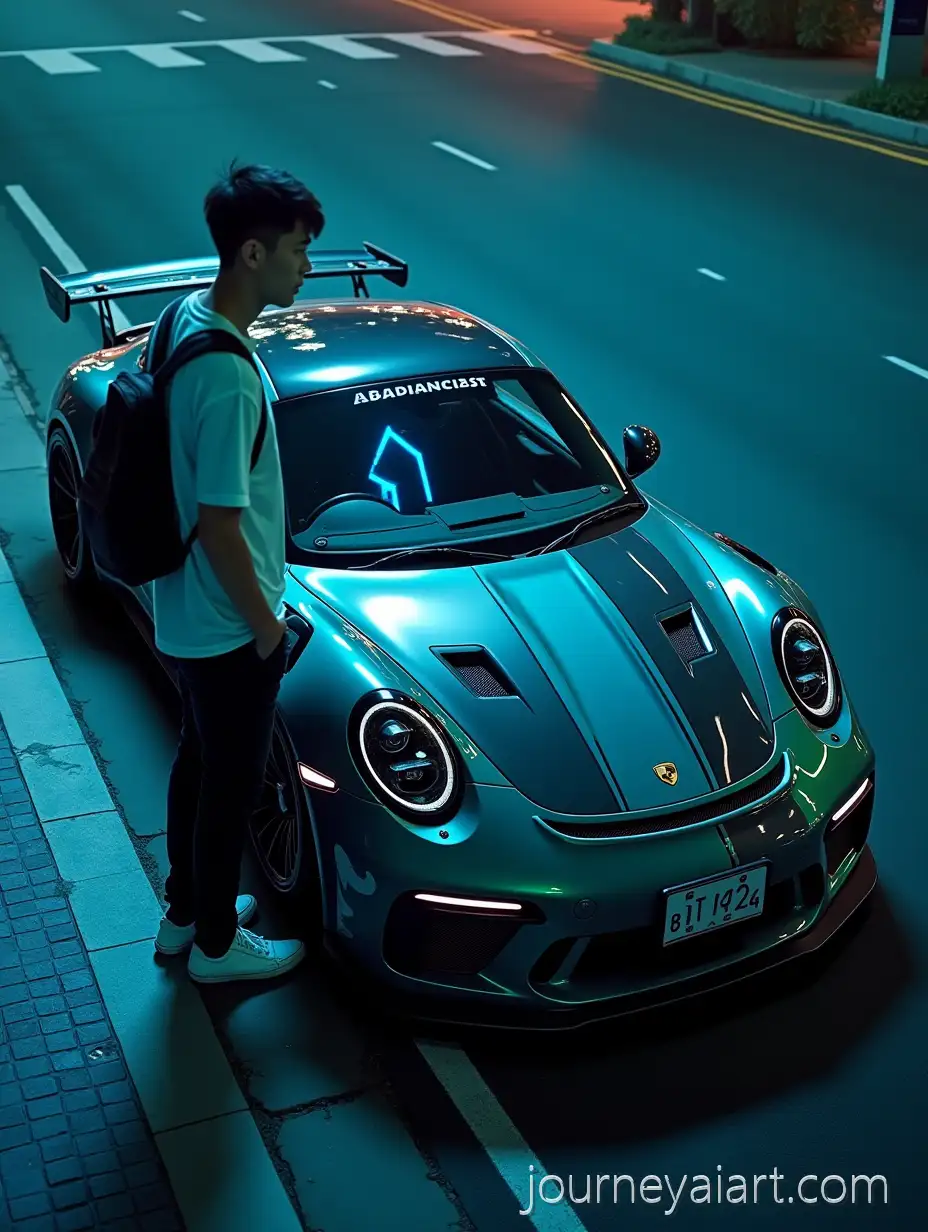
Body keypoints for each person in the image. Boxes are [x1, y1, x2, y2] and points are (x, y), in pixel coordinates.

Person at [150, 162, 325, 983]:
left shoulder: (183, 318)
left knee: (198, 764)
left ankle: (186, 915)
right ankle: (219, 947)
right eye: (297, 249)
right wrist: (266, 628)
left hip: (184, 612)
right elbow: (221, 521)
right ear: (252, 253)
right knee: (232, 785)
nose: (307, 265)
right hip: (226, 626)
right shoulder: (225, 372)